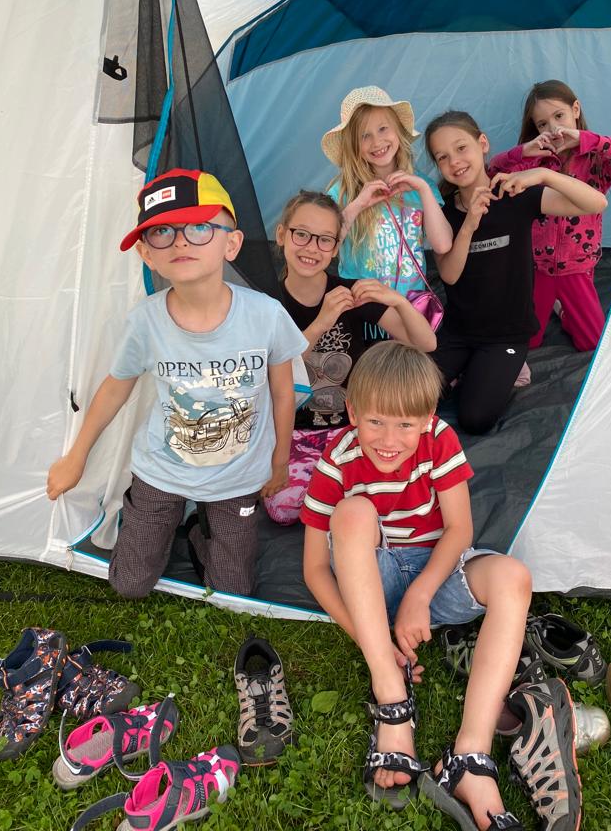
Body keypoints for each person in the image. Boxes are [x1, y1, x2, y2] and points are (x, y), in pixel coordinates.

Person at [301, 342, 570, 831]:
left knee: (513, 576)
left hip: (436, 573)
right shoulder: (336, 460)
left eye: (406, 425)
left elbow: (460, 530)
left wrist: (421, 595)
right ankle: (392, 700)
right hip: (372, 581)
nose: (389, 439)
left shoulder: (440, 439)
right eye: (375, 421)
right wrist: (374, 641)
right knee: (353, 511)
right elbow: (315, 569)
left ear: (428, 418)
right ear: (353, 412)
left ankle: (470, 757)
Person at [46, 168, 307, 599]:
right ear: (146, 254)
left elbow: (283, 391)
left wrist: (280, 460)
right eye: (162, 232)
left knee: (233, 593)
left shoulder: (266, 315)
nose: (181, 241)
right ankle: (153, 523)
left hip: (237, 477)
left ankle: (202, 535)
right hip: (162, 471)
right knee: (129, 584)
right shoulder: (145, 322)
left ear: (232, 243)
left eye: (199, 227)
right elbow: (116, 387)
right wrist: (76, 457)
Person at [425, 110, 608, 435]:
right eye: (443, 157)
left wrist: (544, 175)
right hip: (458, 332)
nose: (455, 161)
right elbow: (449, 276)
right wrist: (469, 225)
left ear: (482, 143)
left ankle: (502, 367)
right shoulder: (444, 211)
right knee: (412, 400)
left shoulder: (514, 196)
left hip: (505, 335)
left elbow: (596, 203)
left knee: (474, 418)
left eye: (461, 148)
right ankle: (469, 369)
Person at [264, 189, 437, 525]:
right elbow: (274, 374)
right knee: (283, 508)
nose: (312, 248)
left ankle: (336, 498)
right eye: (302, 234)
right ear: (282, 234)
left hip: (350, 428)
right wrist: (321, 322)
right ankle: (335, 495)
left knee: (387, 496)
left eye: (324, 240)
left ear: (335, 248)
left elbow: (426, 343)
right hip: (291, 431)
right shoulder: (266, 303)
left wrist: (399, 301)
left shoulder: (349, 292)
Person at [489, 80, 611, 351]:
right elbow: (492, 172)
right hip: (537, 268)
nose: (553, 128)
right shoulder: (533, 161)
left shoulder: (596, 160)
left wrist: (586, 139)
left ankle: (563, 309)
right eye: (542, 124)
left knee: (591, 343)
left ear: (575, 110)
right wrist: (523, 151)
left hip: (577, 267)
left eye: (559, 116)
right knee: (528, 342)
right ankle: (554, 306)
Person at [322, 86, 452, 313]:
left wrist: (423, 189)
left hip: (411, 307)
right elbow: (326, 245)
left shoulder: (421, 185)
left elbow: (442, 245)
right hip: (365, 309)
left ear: (398, 131)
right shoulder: (342, 192)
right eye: (364, 136)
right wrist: (358, 205)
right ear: (353, 145)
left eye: (383, 129)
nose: (377, 142)